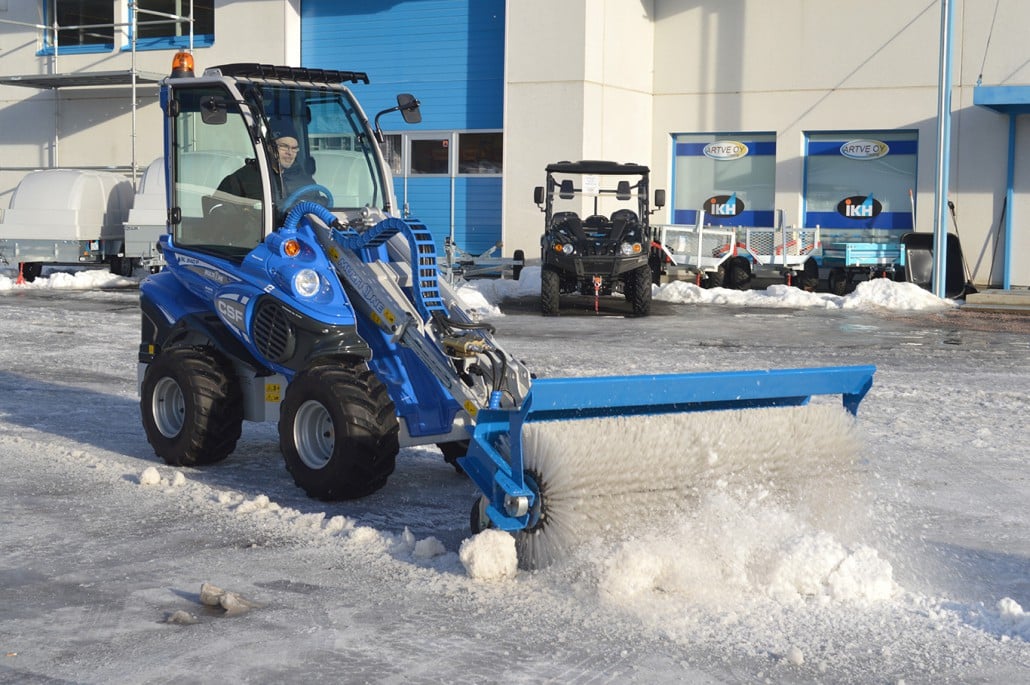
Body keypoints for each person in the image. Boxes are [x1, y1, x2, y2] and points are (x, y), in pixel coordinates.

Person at [217, 120, 316, 206]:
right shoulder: (242, 180)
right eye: (284, 146)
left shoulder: (304, 179)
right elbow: (219, 213)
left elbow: (319, 206)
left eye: (294, 148)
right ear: (269, 147)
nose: (290, 153)